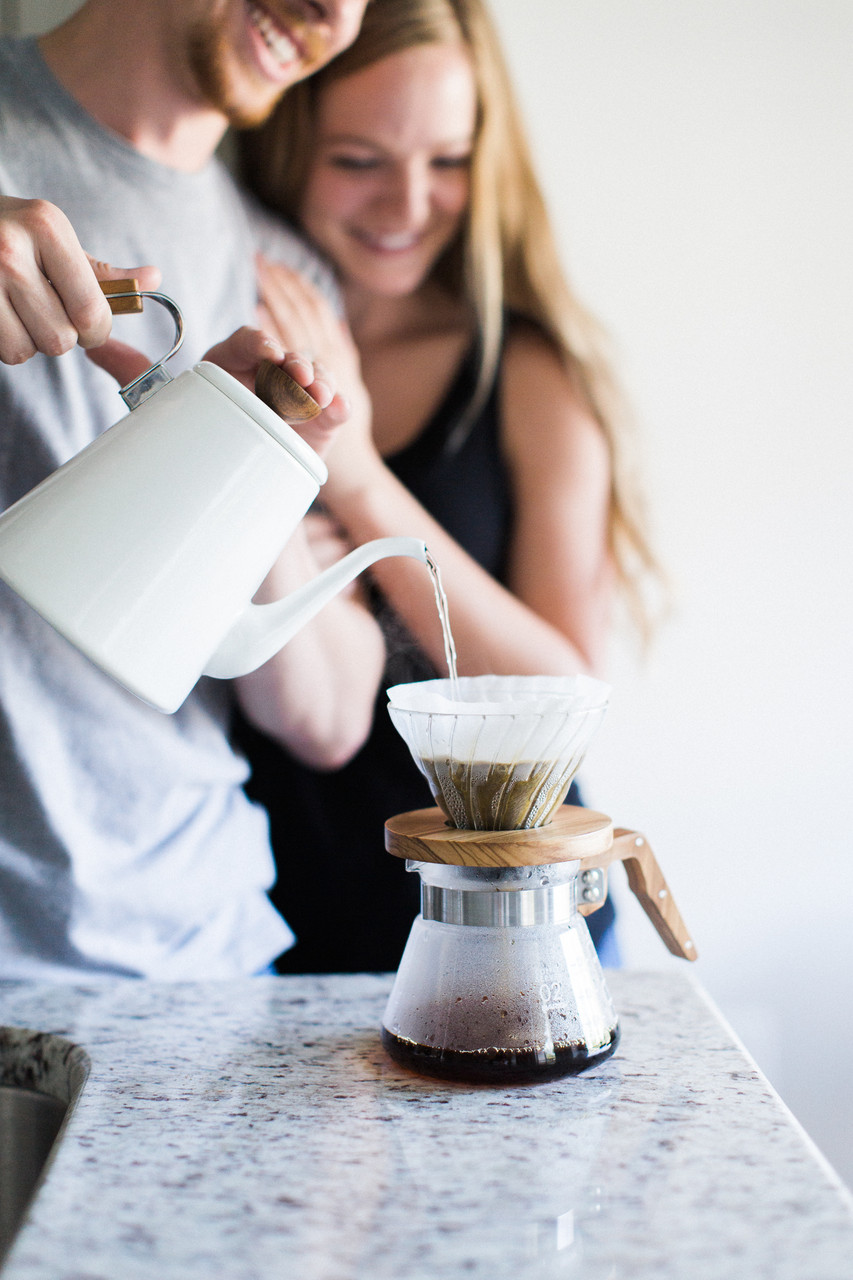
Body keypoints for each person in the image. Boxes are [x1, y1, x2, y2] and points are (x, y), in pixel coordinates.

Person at [233, 0, 659, 972]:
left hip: (510, 938)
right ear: (290, 137)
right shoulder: (237, 328)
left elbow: (562, 692)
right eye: (358, 159)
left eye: (447, 160)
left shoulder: (527, 375)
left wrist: (361, 482)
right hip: (271, 920)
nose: (407, 202)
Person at [0, 0, 381, 980]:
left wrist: (247, 462)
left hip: (206, 961)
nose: (334, 10)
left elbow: (328, 713)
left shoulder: (287, 286)